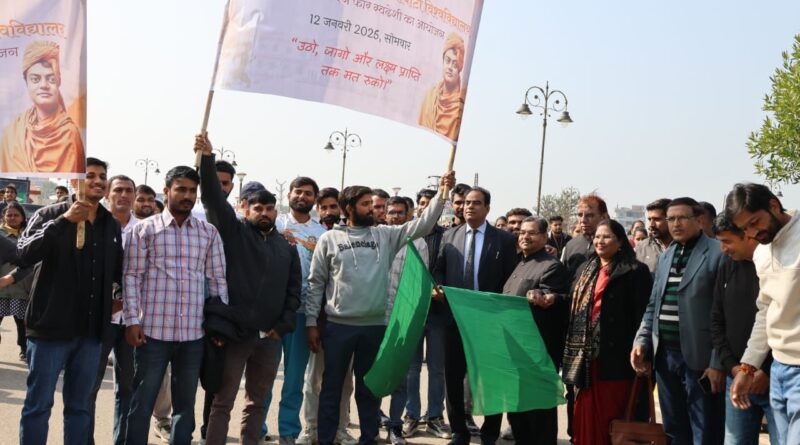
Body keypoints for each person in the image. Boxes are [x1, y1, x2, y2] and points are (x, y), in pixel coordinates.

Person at [305, 171, 454, 445]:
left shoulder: (385, 235)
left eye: (373, 205)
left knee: (369, 390)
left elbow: (421, 226)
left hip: (374, 327)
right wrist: (311, 323)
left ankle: (368, 439)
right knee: (331, 389)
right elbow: (315, 284)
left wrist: (442, 195)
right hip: (338, 328)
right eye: (365, 205)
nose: (374, 210)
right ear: (349, 208)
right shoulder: (329, 240)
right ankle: (325, 439)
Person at [193, 135, 301, 445]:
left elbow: (294, 291)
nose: (265, 213)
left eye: (270, 208)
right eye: (258, 208)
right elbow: (213, 198)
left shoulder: (286, 247)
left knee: (257, 404)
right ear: (245, 208)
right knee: (222, 402)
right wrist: (207, 159)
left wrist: (282, 326)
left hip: (270, 339)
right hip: (235, 335)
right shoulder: (234, 233)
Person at [18, 157, 122, 445]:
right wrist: (64, 222)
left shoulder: (109, 225)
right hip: (50, 328)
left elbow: (118, 272)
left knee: (79, 408)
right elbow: (24, 253)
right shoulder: (50, 214)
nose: (98, 181)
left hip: (90, 333)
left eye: (102, 176)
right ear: (75, 181)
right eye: (90, 175)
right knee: (39, 405)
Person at [123, 166, 229, 445]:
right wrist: (132, 320)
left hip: (193, 335)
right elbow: (132, 276)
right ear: (166, 191)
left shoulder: (208, 233)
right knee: (141, 404)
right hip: (152, 333)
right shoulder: (145, 231)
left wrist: (219, 325)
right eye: (181, 189)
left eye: (192, 191)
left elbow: (218, 282)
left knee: (185, 407)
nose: (187, 196)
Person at [631, 197, 726, 444]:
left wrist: (717, 361)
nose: (676, 224)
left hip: (701, 357)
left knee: (704, 428)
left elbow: (724, 313)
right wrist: (642, 339)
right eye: (670, 218)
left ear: (699, 220)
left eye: (682, 218)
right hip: (665, 356)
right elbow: (654, 304)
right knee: (673, 427)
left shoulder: (717, 253)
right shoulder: (667, 255)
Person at [433, 187, 518, 445]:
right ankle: (459, 431)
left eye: (476, 203)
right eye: (466, 202)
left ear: (487, 208)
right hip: (455, 320)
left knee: (491, 379)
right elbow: (439, 270)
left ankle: (490, 432)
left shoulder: (503, 239)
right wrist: (437, 288)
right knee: (454, 378)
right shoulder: (450, 235)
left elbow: (510, 279)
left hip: (490, 322)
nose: (469, 207)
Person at [563, 219, 652, 445]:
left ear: (620, 242)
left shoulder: (635, 271)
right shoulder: (586, 268)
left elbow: (643, 314)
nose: (600, 241)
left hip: (616, 360)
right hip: (584, 360)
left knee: (612, 419)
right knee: (585, 416)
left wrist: (642, 350)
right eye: (598, 237)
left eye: (607, 237)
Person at [726, 183, 800, 444]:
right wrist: (747, 367)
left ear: (773, 205)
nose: (753, 233)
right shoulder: (762, 252)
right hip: (780, 368)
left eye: (755, 222)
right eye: (745, 228)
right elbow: (766, 311)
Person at [258, 176, 325, 445]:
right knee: (263, 376)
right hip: (272, 312)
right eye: (298, 192)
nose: (303, 197)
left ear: (314, 199)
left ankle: (289, 431)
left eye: (308, 193)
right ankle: (257, 429)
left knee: (295, 379)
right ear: (289, 195)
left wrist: (314, 319)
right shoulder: (274, 225)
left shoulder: (322, 233)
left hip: (302, 314)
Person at [709, 212, 777, 445]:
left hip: (773, 379)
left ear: (748, 235)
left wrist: (764, 371)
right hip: (736, 378)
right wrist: (734, 368)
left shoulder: (775, 266)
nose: (723, 249)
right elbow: (716, 321)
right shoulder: (727, 266)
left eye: (727, 241)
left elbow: (781, 322)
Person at [501, 217, 570, 444]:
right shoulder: (518, 263)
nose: (524, 237)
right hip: (515, 350)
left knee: (539, 412)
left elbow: (555, 299)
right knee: (518, 410)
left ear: (544, 236)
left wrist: (542, 297)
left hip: (539, 351)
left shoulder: (551, 266)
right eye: (521, 232)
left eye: (531, 233)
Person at [297, 187, 358, 445]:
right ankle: (310, 428)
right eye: (325, 207)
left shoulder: (350, 238)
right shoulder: (316, 237)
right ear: (318, 209)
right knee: (314, 380)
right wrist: (312, 322)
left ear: (342, 210)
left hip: (346, 321)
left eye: (334, 207)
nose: (330, 212)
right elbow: (314, 284)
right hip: (320, 321)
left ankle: (341, 428)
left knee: (345, 382)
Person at [88, 174, 139, 445]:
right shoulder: (95, 226)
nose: (123, 195)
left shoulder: (145, 229)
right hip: (98, 319)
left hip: (132, 318)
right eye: (118, 189)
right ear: (108, 194)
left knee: (128, 387)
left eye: (128, 190)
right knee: (90, 386)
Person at [403, 189, 450, 440]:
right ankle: (411, 415)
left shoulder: (449, 237)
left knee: (437, 368)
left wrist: (441, 290)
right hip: (410, 311)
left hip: (438, 312)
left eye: (430, 204)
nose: (424, 207)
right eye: (421, 203)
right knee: (411, 368)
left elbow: (452, 270)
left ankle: (434, 416)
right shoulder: (406, 234)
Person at [0, 40, 84, 173]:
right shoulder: (13, 132)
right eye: (35, 79)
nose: (44, 85)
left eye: (51, 79)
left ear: (58, 83)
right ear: (26, 82)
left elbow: (75, 187)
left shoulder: (69, 133)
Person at [0, 202, 34, 362]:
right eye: (9, 215)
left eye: (16, 215)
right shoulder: (1, 235)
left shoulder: (30, 235)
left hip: (22, 287)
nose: (12, 218)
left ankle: (24, 348)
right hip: (1, 288)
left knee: (22, 322)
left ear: (22, 217)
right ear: (3, 217)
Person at [418, 33, 467, 141]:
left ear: (459, 69)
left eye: (454, 64)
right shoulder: (430, 96)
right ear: (443, 61)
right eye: (447, 61)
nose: (450, 67)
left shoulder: (462, 105)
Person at [562, 195, 609, 279]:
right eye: (580, 215)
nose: (583, 220)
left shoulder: (614, 245)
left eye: (590, 215)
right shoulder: (571, 245)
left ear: (603, 217)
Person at [635, 198, 672, 274]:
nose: (651, 225)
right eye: (649, 219)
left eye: (656, 219)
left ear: (670, 219)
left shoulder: (685, 246)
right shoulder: (640, 249)